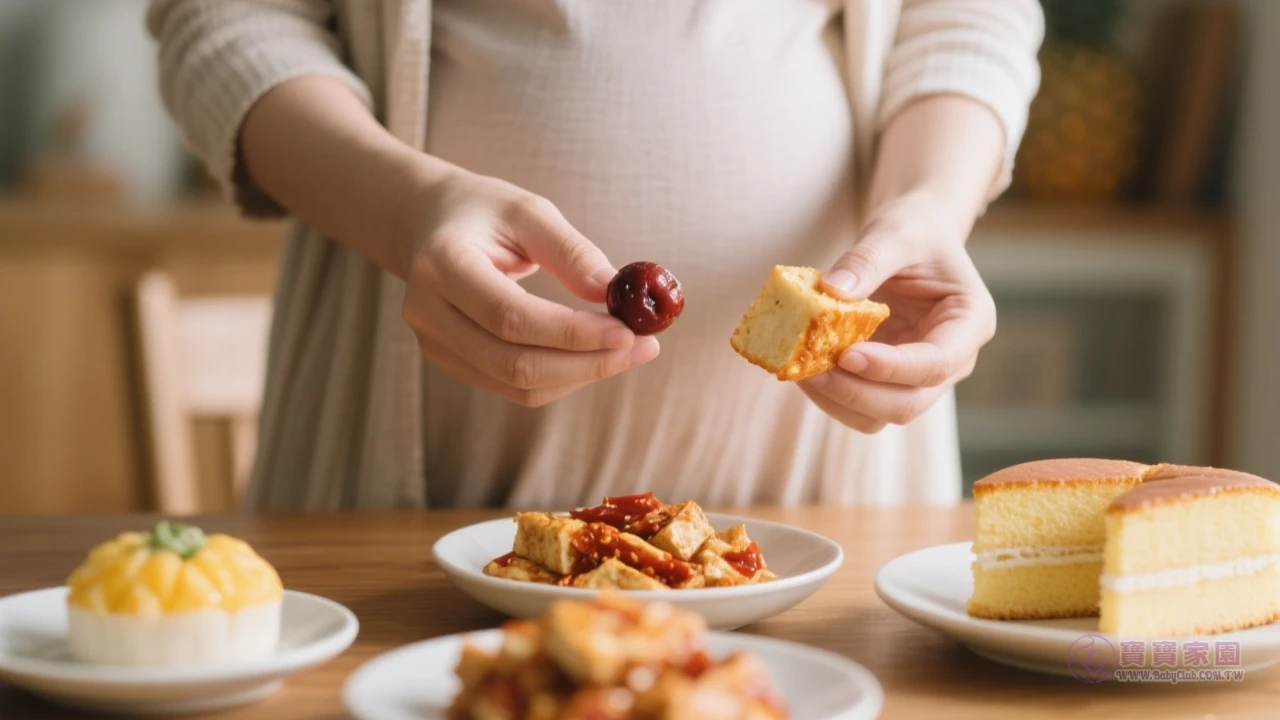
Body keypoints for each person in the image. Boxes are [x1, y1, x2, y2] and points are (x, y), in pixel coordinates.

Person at [147, 0, 1043, 511]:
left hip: (825, 503)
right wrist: (405, 210)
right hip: (400, 510)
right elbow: (223, 20)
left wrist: (931, 202)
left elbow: (969, 15)